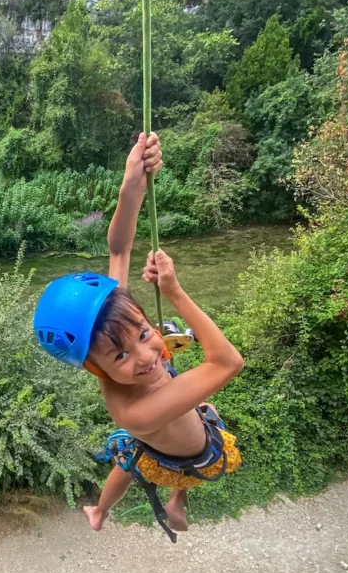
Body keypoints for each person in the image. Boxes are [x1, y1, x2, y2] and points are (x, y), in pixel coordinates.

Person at [33, 132, 244, 536]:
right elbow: (228, 362)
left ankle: (103, 511)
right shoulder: (133, 412)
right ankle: (175, 498)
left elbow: (119, 250)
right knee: (200, 415)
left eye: (144, 333)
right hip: (194, 456)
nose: (146, 356)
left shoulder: (110, 325)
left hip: (156, 442)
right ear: (93, 367)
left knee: (127, 454)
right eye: (121, 357)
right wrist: (174, 293)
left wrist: (131, 185)